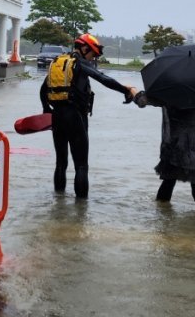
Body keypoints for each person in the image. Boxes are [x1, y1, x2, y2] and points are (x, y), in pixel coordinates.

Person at [39, 33, 137, 199]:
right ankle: (81, 213)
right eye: (93, 54)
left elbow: (43, 90)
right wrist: (125, 90)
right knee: (82, 166)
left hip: (57, 117)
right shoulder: (79, 63)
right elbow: (103, 78)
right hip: (75, 117)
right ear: (84, 49)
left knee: (61, 163)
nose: (93, 59)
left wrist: (46, 111)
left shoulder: (60, 63)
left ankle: (59, 203)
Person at [135, 94, 195, 212]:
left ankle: (162, 219)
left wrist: (135, 93)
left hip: (174, 149)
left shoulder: (169, 94)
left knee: (167, 186)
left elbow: (142, 101)